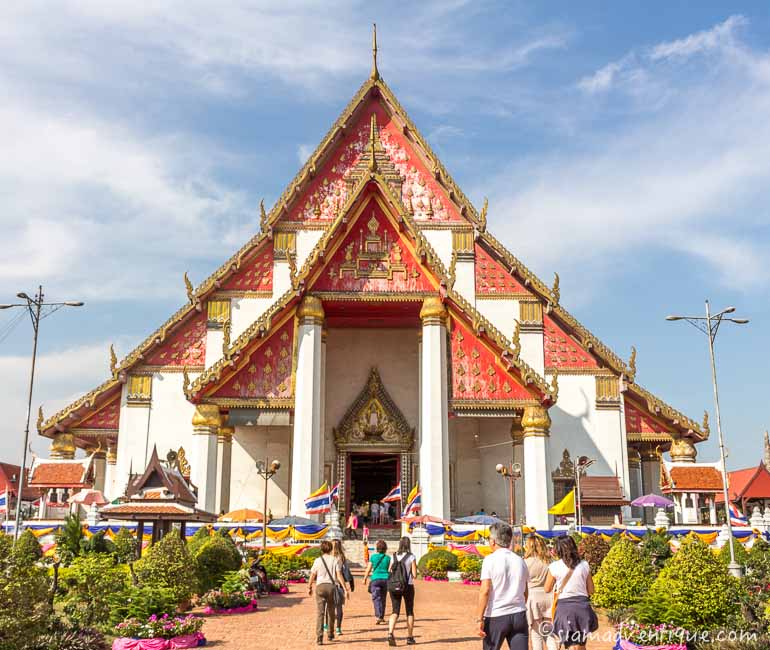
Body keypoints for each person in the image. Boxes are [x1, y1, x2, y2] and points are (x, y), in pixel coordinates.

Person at [475, 522, 529, 650]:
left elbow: (485, 591)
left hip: (496, 615)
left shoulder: (490, 560)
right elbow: (525, 591)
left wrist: (479, 619)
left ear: (493, 541)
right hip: (518, 614)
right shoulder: (520, 560)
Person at [544, 536, 598, 650]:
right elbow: (591, 590)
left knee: (571, 645)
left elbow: (547, 588)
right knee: (581, 644)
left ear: (558, 550)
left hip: (565, 609)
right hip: (582, 608)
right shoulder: (584, 565)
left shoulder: (554, 566)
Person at [308, 540, 350, 645]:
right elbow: (339, 575)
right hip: (332, 587)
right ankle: (330, 633)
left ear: (321, 549)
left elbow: (313, 575)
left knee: (320, 613)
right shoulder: (335, 560)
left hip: (320, 587)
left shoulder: (317, 560)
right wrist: (345, 589)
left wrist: (309, 586)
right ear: (331, 549)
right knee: (331, 612)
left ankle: (319, 637)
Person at [524, 536, 558, 650]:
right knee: (549, 633)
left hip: (533, 598)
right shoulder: (550, 561)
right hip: (548, 597)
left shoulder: (525, 562)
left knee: (536, 634)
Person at [387, 536, 417, 646]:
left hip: (394, 586)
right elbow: (414, 575)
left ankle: (390, 633)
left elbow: (389, 570)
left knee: (395, 611)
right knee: (409, 611)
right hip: (407, 586)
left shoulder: (393, 556)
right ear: (408, 545)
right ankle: (409, 637)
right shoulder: (411, 557)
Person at [363, 539, 391, 624]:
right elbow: (390, 570)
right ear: (385, 548)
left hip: (375, 579)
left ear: (377, 548)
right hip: (385, 579)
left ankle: (378, 616)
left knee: (376, 598)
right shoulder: (388, 558)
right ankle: (381, 616)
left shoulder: (373, 557)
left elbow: (369, 568)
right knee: (383, 598)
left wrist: (365, 578)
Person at [331, 540, 354, 637]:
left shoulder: (325, 557)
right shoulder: (341, 558)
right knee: (338, 607)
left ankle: (326, 625)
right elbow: (341, 573)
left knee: (329, 607)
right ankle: (338, 628)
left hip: (327, 583)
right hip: (338, 584)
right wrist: (345, 587)